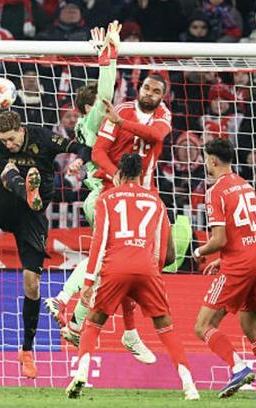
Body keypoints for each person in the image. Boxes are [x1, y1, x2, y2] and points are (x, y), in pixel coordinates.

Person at [65, 153, 199, 401]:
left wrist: (88, 282)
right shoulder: (156, 201)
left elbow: (99, 243)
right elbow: (162, 250)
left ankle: (81, 374)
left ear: (119, 174)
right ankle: (190, 386)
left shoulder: (106, 199)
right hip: (147, 267)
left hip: (115, 267)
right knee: (166, 327)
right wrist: (152, 274)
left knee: (93, 323)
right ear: (141, 174)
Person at [0, 110, 91, 379]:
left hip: (32, 216)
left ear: (21, 130)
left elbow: (83, 148)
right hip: (4, 207)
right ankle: (26, 190)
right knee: (7, 170)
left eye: (11, 139)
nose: (8, 144)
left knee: (32, 283)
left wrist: (78, 162)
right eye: (3, 140)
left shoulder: (43, 138)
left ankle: (26, 350)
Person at [81, 72, 173, 364]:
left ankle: (121, 324)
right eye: (146, 88)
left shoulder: (162, 115)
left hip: (147, 194)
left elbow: (156, 136)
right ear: (139, 87)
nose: (149, 94)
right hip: (115, 192)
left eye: (155, 91)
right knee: (119, 257)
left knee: (166, 256)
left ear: (162, 97)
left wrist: (122, 124)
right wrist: (115, 175)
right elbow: (98, 151)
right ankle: (93, 322)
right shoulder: (120, 109)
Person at [43, 21, 121, 345]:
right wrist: (109, 56)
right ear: (89, 108)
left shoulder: (91, 129)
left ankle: (74, 324)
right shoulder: (93, 119)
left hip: (101, 196)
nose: (109, 105)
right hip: (104, 196)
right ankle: (62, 299)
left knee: (106, 266)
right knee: (103, 260)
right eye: (100, 104)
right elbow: (106, 93)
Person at [193, 138, 256, 400]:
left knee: (203, 325)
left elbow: (219, 240)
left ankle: (239, 367)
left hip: (239, 265)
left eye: (205, 158)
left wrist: (198, 252)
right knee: (251, 325)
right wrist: (222, 259)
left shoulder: (215, 192)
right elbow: (241, 231)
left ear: (212, 160)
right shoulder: (245, 185)